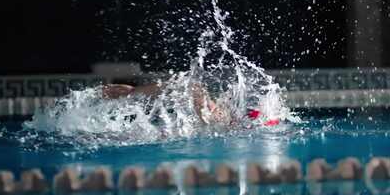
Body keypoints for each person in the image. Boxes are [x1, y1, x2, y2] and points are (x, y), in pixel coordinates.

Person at [101, 82, 279, 126]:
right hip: (219, 118)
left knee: (195, 89)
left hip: (221, 119)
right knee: (196, 89)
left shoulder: (220, 114)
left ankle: (127, 92)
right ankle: (127, 92)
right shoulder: (217, 113)